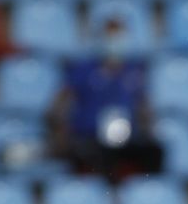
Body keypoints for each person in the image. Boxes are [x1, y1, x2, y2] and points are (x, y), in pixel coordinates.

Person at [47, 12, 164, 180]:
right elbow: (60, 104)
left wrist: (148, 128)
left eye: (119, 37)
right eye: (111, 37)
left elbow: (143, 106)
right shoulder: (84, 70)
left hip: (126, 138)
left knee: (155, 151)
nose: (115, 42)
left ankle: (147, 196)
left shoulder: (134, 72)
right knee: (99, 156)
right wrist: (62, 133)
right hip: (90, 137)